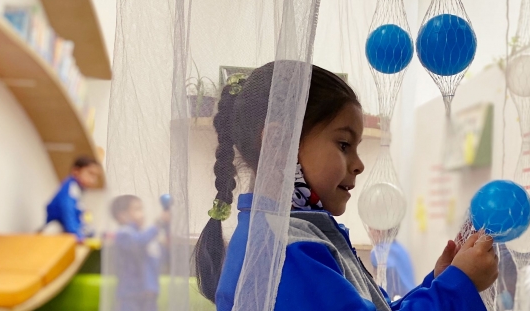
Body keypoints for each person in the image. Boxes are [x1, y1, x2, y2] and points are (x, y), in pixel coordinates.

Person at [199, 61, 497, 311]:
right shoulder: (289, 251)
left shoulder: (282, 235)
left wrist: (439, 282)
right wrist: (459, 286)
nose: (358, 164)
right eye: (343, 144)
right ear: (278, 145)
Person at [109, 195, 170, 311]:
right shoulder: (124, 234)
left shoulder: (143, 237)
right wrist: (160, 223)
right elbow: (138, 243)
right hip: (130, 294)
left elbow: (158, 258)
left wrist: (166, 242)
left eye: (142, 209)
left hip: (149, 293)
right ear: (122, 216)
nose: (142, 214)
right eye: (137, 210)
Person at [44, 156, 102, 242]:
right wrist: (79, 236)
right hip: (57, 229)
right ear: (76, 171)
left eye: (96, 176)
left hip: (68, 229)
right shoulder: (70, 190)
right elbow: (68, 215)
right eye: (90, 173)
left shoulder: (79, 190)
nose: (93, 180)